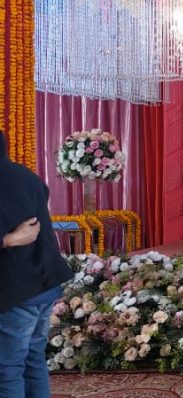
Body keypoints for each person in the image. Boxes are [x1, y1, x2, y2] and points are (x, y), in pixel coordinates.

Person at [0, 131, 72, 398]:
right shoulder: (25, 175)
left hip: (16, 289)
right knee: (33, 359)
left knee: (8, 369)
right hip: (44, 282)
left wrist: (7, 240)